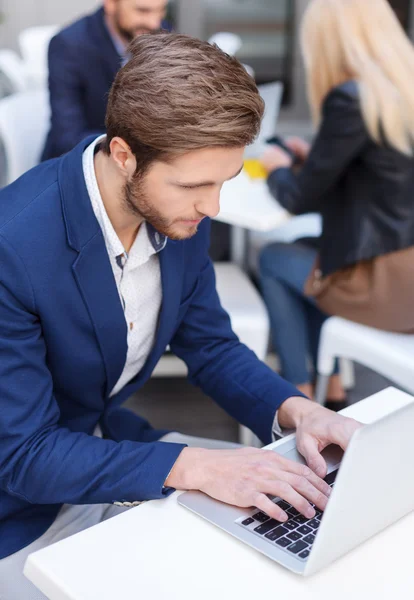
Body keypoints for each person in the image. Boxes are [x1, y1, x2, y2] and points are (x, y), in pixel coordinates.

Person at [0, 33, 360, 599]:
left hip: (110, 447)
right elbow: (23, 455)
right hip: (20, 506)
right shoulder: (13, 247)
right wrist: (194, 468)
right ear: (124, 155)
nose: (213, 207)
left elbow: (211, 345)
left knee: (306, 530)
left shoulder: (180, 209)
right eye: (196, 185)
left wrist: (298, 412)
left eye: (223, 182)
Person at [258, 0, 414, 408]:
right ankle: (334, 390)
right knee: (312, 257)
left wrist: (277, 167)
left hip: (385, 284)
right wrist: (316, 158)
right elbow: (385, 174)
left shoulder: (351, 97)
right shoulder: (399, 87)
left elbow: (297, 197)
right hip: (404, 271)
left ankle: (298, 394)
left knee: (274, 259)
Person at [41, 0, 169, 161]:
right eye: (142, 11)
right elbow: (67, 137)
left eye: (161, 10)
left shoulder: (162, 33)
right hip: (82, 162)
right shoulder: (70, 46)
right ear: (110, 4)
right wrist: (140, 145)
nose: (155, 22)